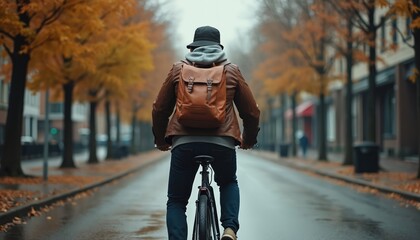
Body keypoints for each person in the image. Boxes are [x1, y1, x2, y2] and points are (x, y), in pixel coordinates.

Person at [152, 26, 260, 240]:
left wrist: (161, 140)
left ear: (192, 47)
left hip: (184, 142)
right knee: (228, 181)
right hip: (223, 142)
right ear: (219, 47)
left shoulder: (178, 70)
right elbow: (251, 111)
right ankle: (229, 229)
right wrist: (248, 140)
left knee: (176, 200)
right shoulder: (231, 70)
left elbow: (159, 109)